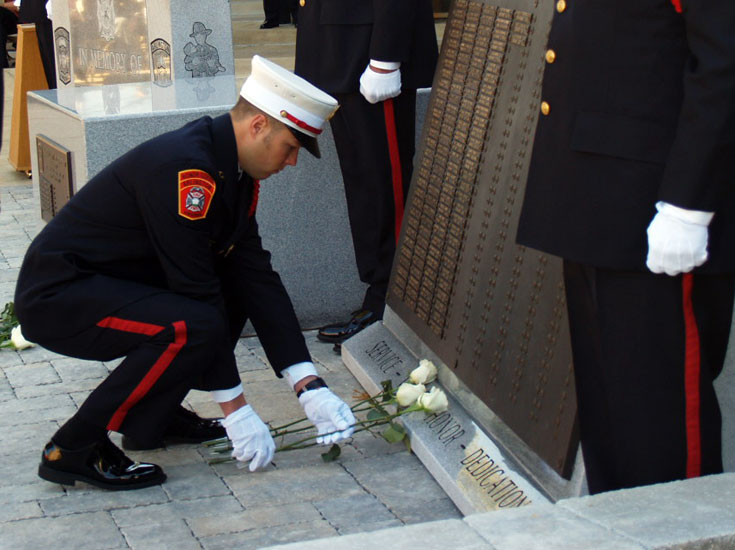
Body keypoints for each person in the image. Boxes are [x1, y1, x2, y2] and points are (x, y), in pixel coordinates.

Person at [15, 55, 356, 491]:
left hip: (109, 286)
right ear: (257, 127)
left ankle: (150, 420)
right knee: (192, 323)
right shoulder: (188, 168)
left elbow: (256, 277)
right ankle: (72, 449)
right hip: (60, 297)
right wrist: (237, 409)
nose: (291, 162)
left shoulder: (232, 171)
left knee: (230, 295)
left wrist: (308, 384)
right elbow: (194, 289)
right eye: (290, 147)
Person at [516, 0, 735, 494]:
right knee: (612, 421)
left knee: (663, 432)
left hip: (657, 205)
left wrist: (687, 205)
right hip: (597, 195)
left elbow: (728, 61)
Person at [293, 0, 438, 347]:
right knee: (363, 183)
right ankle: (379, 293)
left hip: (366, 53)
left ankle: (393, 297)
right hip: (336, 50)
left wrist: (386, 57)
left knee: (384, 184)